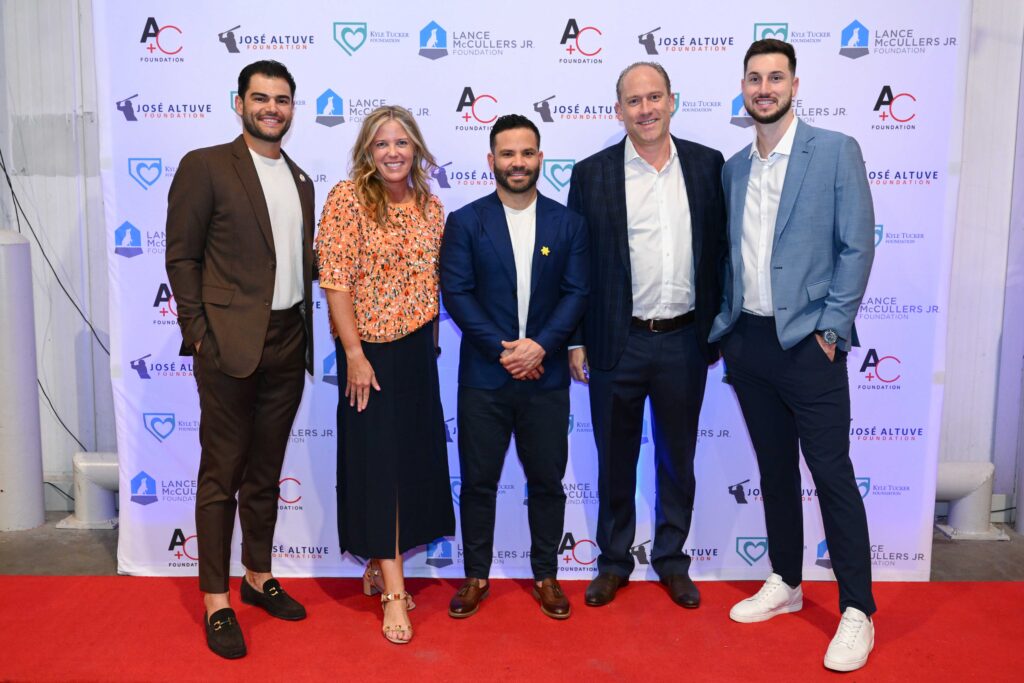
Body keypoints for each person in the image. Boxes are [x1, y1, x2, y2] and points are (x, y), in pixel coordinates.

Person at [708, 39, 876, 672]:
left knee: (831, 473)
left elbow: (856, 245)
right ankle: (786, 579)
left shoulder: (834, 151)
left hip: (811, 344)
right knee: (775, 469)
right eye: (754, 79)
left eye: (775, 78)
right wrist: (727, 330)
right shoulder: (733, 167)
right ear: (744, 88)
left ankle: (857, 610)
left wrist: (832, 328)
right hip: (748, 342)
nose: (764, 88)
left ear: (794, 85)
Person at [165, 60, 314, 660]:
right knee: (220, 474)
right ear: (239, 103)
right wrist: (199, 333)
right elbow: (181, 257)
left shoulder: (301, 178)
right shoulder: (205, 166)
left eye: (281, 99)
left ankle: (256, 576)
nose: (271, 108)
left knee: (265, 472)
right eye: (261, 98)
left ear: (292, 108)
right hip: (227, 345)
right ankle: (215, 599)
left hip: (287, 342)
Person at [566, 62, 727, 609]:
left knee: (677, 459)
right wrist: (576, 339)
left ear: (672, 101)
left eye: (654, 97)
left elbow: (722, 256)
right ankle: (613, 562)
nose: (646, 109)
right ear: (619, 110)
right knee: (614, 459)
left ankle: (671, 560)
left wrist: (719, 330)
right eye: (634, 101)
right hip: (617, 342)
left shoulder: (708, 166)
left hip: (685, 340)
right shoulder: (592, 174)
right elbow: (578, 265)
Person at [439, 114, 589, 620]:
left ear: (540, 159)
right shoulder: (465, 221)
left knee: (546, 482)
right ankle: (476, 576)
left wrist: (540, 347)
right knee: (479, 481)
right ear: (491, 161)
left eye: (527, 153)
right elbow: (456, 293)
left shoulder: (567, 223)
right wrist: (505, 351)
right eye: (508, 154)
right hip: (484, 377)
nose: (518, 163)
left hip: (544, 379)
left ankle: (546, 575)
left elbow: (576, 293)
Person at [316, 105, 455, 645]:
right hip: (368, 354)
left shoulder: (431, 206)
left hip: (419, 353)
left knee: (411, 466)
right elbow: (335, 281)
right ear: (367, 153)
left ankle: (380, 563)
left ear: (416, 147)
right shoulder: (347, 200)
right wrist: (352, 353)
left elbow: (431, 286)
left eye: (401, 142)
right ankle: (394, 594)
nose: (393, 152)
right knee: (380, 470)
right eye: (381, 144)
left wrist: (433, 352)